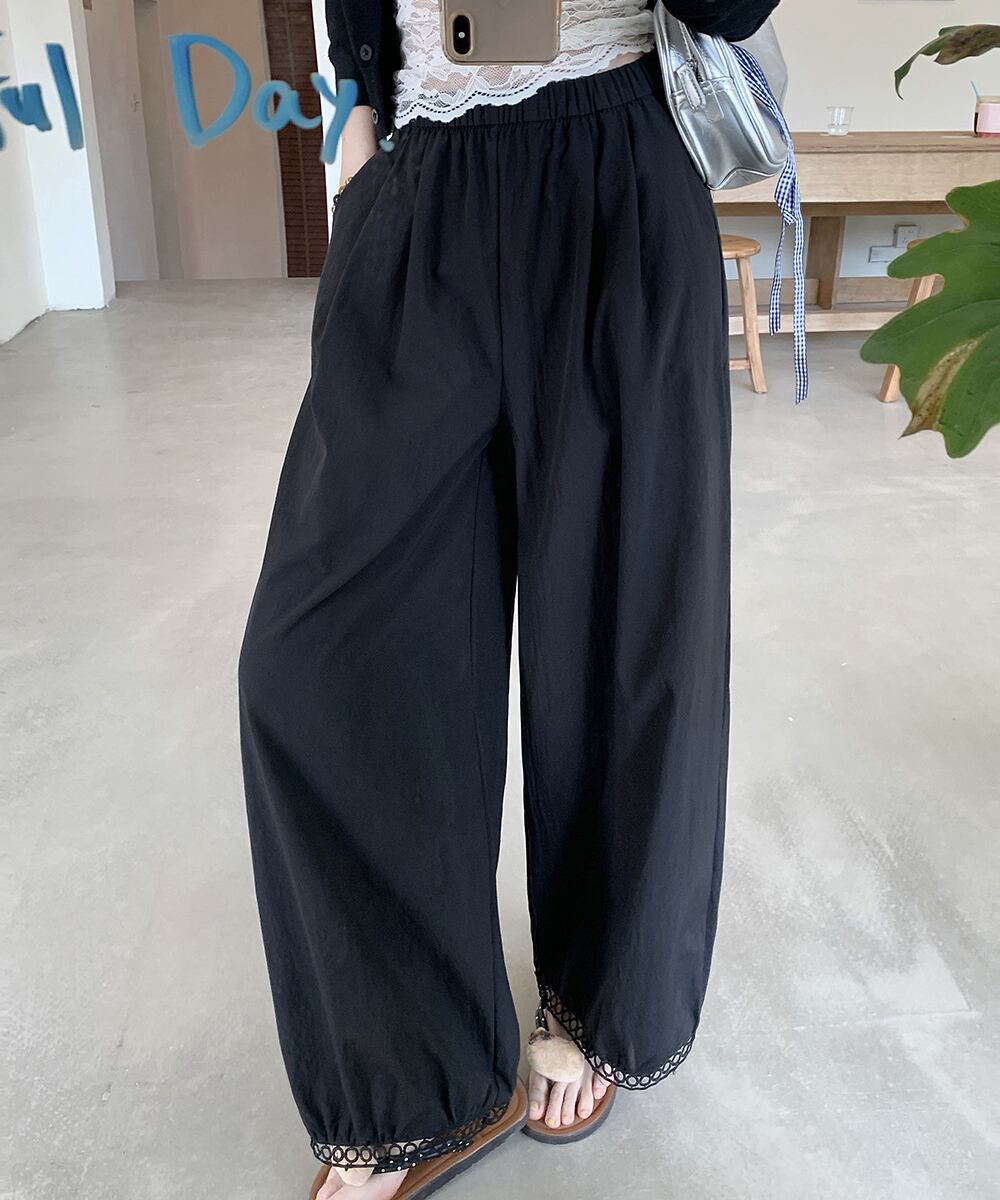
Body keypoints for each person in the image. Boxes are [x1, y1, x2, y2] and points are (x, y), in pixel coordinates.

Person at [238, 1, 781, 1196]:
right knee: (318, 657)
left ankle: (596, 998)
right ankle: (416, 1077)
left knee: (624, 630)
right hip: (420, 172)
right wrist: (356, 131)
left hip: (613, 159)